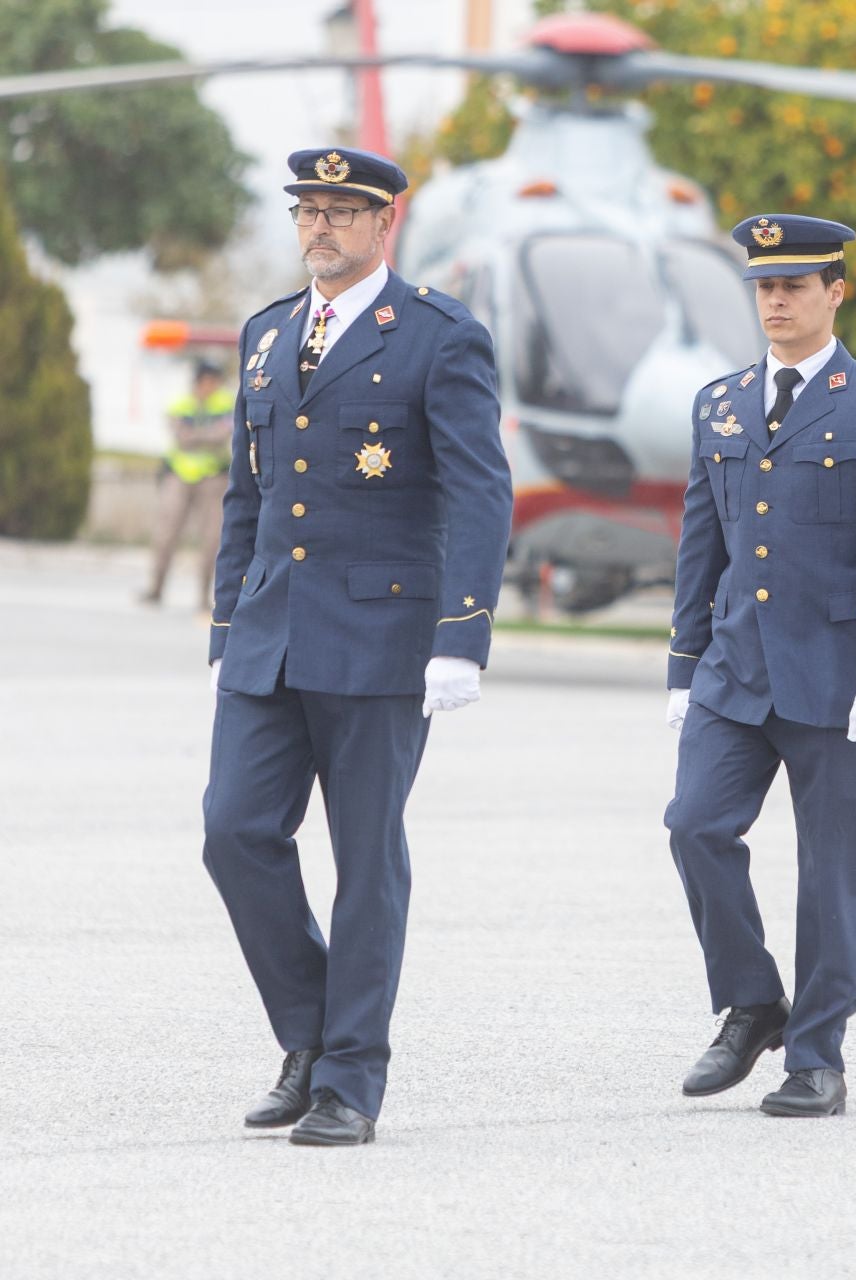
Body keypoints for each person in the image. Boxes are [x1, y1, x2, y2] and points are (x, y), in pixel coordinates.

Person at [201, 147, 513, 1145]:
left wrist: (462, 636)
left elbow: (479, 490)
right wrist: (224, 620)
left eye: (344, 210)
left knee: (366, 861)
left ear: (386, 223)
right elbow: (245, 495)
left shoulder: (436, 337)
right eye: (310, 210)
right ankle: (309, 1032)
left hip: (383, 639)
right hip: (271, 634)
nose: (322, 226)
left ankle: (349, 1080)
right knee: (233, 830)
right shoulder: (264, 335)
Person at [663, 213, 856, 1119]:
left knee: (830, 871)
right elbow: (702, 543)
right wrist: (681, 664)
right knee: (695, 826)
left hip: (836, 675)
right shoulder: (721, 402)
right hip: (735, 671)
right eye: (764, 285)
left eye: (795, 285)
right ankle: (750, 1003)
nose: (775, 299)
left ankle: (817, 1054)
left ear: (835, 293)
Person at [141, 361, 234, 608]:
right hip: (179, 476)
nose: (210, 387)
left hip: (213, 478)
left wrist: (196, 437)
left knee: (212, 539)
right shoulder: (181, 403)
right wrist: (206, 436)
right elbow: (181, 437)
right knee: (165, 534)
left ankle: (205, 597)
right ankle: (156, 588)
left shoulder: (225, 403)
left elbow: (222, 435)